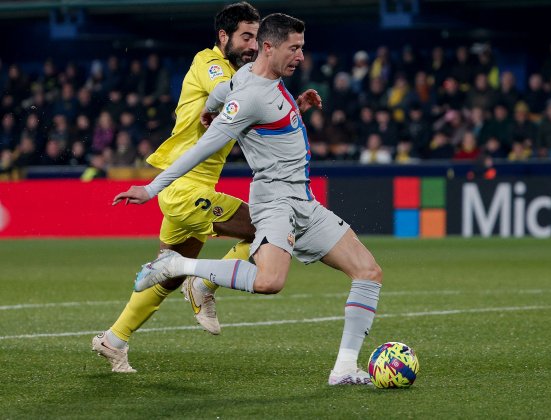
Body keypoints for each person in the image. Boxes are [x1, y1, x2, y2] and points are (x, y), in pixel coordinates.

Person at [113, 13, 383, 386]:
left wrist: (217, 110)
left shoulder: (255, 81)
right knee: (270, 282)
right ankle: (179, 267)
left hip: (303, 202)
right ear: (268, 48)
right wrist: (150, 189)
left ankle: (343, 370)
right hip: (274, 201)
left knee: (368, 272)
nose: (301, 56)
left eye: (302, 48)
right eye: (294, 48)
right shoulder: (251, 95)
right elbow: (203, 146)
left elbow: (223, 96)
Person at [91, 2, 261, 373]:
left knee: (166, 274)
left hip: (186, 188)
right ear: (224, 37)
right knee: (266, 228)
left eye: (257, 37)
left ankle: (114, 339)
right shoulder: (210, 62)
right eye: (246, 36)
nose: (253, 45)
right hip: (185, 188)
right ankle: (203, 283)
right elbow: (226, 90)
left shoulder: (244, 77)